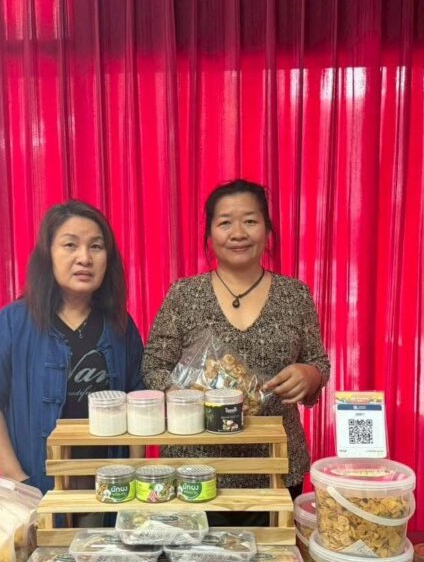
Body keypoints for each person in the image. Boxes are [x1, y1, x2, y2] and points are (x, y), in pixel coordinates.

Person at [142, 179, 331, 503]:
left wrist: (310, 375)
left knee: (275, 538)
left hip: (276, 464)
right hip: (194, 467)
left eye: (250, 221)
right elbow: (153, 366)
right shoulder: (184, 295)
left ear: (267, 231)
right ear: (209, 234)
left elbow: (318, 362)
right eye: (225, 222)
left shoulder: (295, 295)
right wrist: (188, 397)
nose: (238, 233)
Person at [0, 200, 144, 493]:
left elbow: (138, 402)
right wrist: (15, 477)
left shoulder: (120, 326)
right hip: (38, 486)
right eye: (70, 245)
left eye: (96, 246)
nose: (85, 258)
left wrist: (134, 474)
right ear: (48, 255)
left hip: (110, 488)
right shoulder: (13, 322)